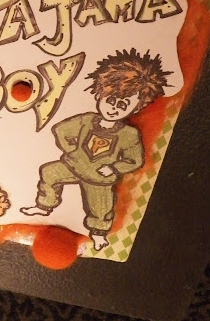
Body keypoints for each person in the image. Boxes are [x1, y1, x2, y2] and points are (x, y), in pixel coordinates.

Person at [20, 49, 171, 250]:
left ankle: (98, 233)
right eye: (111, 100)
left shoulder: (128, 134)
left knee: (101, 206)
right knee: (50, 173)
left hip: (100, 178)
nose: (114, 108)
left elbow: (134, 160)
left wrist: (114, 168)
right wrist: (71, 149)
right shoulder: (87, 120)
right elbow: (61, 130)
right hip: (75, 166)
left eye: (123, 105)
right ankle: (44, 206)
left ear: (135, 108)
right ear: (100, 95)